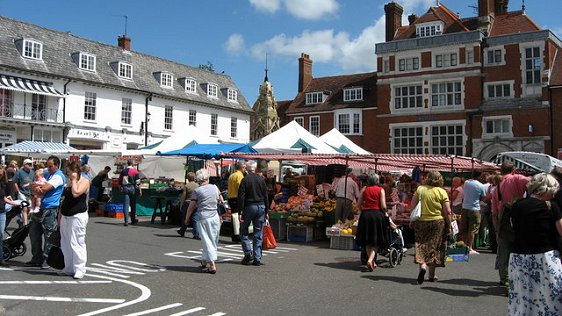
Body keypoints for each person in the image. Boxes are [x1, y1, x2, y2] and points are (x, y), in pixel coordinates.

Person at [508, 173, 562, 315]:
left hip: (518, 258)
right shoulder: (550, 206)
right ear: (548, 189)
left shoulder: (516, 205)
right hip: (544, 258)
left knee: (523, 299)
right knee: (550, 298)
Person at [409, 171, 451, 284]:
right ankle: (431, 275)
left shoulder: (420, 189)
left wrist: (411, 220)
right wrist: (449, 225)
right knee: (434, 247)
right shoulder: (442, 192)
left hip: (421, 221)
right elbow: (447, 211)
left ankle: (422, 266)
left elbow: (412, 206)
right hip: (438, 222)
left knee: (421, 245)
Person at [494, 161, 529, 286]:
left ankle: (504, 277)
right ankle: (518, 275)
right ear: (513, 170)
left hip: (503, 217)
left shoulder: (497, 186)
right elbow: (533, 183)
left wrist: (496, 227)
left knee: (504, 249)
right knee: (519, 247)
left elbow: (494, 210)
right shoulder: (517, 178)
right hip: (519, 215)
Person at [27, 155, 66, 269]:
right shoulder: (47, 173)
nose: (48, 168)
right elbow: (33, 185)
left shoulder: (58, 176)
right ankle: (36, 258)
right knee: (34, 233)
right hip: (39, 207)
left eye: (50, 166)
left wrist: (37, 188)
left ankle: (46, 259)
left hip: (50, 208)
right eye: (47, 166)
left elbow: (45, 188)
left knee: (49, 235)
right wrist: (36, 187)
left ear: (57, 166)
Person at [184, 169, 223, 274]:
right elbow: (221, 201)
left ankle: (212, 264)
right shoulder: (215, 187)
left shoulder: (198, 191)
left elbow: (191, 207)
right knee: (213, 239)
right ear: (207, 178)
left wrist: (187, 218)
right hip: (215, 216)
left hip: (203, 217)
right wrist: (220, 215)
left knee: (207, 240)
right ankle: (205, 260)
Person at [59, 161, 90, 279]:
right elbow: (65, 199)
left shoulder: (85, 181)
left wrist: (73, 180)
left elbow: (76, 193)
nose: (68, 175)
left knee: (77, 242)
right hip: (66, 216)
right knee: (66, 243)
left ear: (76, 171)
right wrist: (60, 217)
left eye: (70, 172)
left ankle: (80, 269)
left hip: (78, 216)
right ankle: (68, 268)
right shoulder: (69, 182)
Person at [238, 160, 269, 266]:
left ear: (246, 169)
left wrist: (240, 211)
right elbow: (266, 195)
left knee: (243, 230)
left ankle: (248, 253)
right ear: (255, 169)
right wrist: (267, 210)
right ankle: (257, 258)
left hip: (249, 207)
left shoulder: (245, 180)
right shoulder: (261, 179)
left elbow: (241, 197)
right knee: (258, 232)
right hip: (261, 206)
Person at [355, 173, 387, 271]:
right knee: (376, 241)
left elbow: (359, 204)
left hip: (365, 215)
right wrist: (385, 212)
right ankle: (370, 259)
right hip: (377, 215)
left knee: (367, 240)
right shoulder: (381, 190)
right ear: (377, 181)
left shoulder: (364, 189)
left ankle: (371, 261)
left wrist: (362, 209)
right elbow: (383, 206)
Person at [458, 170, 487, 255]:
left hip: (465, 207)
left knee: (464, 228)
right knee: (472, 229)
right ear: (480, 176)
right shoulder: (481, 186)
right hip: (475, 208)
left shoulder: (467, 182)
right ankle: (470, 247)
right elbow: (483, 197)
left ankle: (463, 246)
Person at [227, 161, 245, 242]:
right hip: (237, 198)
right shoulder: (240, 176)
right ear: (241, 168)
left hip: (231, 197)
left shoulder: (232, 175)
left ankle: (234, 235)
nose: (245, 169)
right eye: (244, 167)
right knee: (238, 217)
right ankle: (237, 235)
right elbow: (240, 188)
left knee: (233, 217)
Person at [177, 172, 199, 238]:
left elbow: (183, 196)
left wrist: (181, 205)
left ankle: (182, 231)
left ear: (187, 178)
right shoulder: (198, 185)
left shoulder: (186, 186)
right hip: (195, 203)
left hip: (187, 202)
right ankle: (196, 233)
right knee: (195, 218)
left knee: (185, 217)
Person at [119, 159, 140, 226]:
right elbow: (138, 182)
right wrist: (139, 189)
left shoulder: (123, 171)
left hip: (125, 188)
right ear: (133, 164)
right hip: (132, 188)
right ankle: (133, 220)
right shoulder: (135, 171)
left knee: (126, 205)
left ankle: (126, 221)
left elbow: (120, 180)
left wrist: (120, 186)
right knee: (133, 204)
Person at [0, 166, 10, 266]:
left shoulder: (3, 184)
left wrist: (15, 203)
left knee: (0, 235)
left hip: (2, 212)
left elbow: (4, 198)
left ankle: (1, 258)